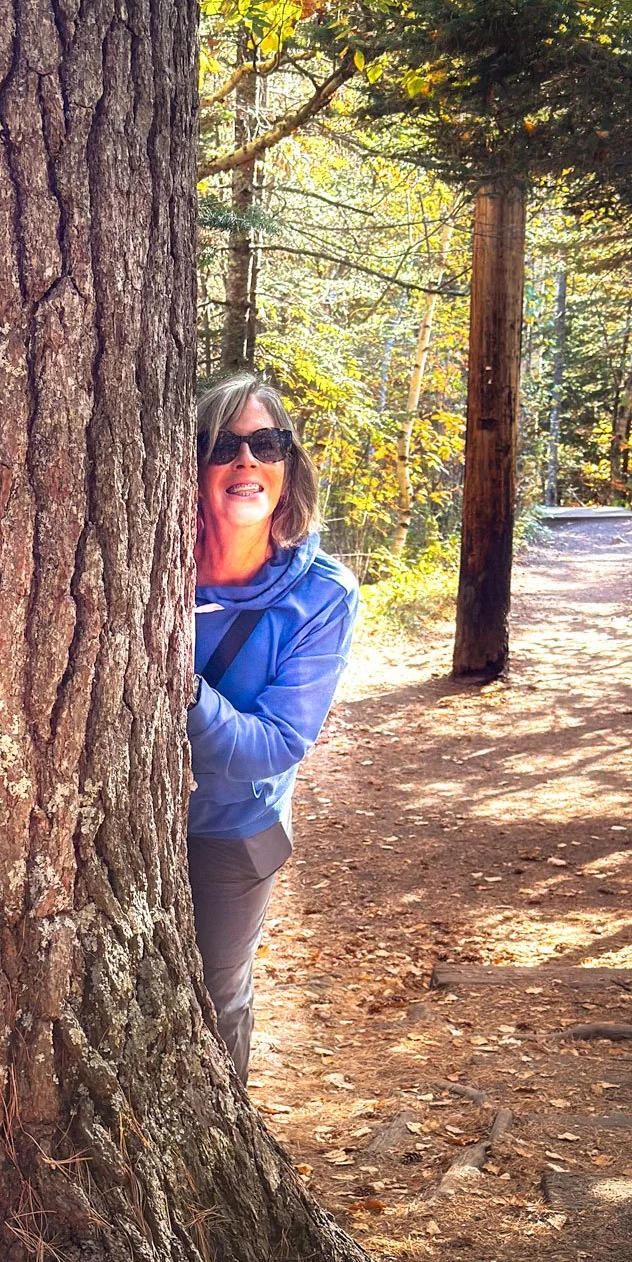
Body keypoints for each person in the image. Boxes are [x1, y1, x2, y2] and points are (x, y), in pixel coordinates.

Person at [186, 373, 359, 1081]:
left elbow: (276, 745)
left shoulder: (323, 594)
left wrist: (174, 683)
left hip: (231, 829)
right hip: (109, 821)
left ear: (290, 465)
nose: (246, 461)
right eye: (223, 445)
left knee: (215, 996)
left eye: (266, 442)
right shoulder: (138, 563)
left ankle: (220, 1141)